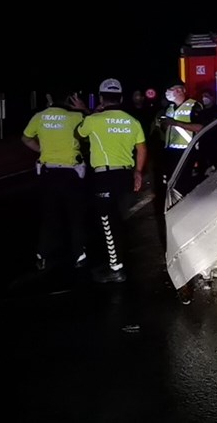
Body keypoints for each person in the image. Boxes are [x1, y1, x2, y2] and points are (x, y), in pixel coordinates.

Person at [76, 78, 147, 283]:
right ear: (122, 98)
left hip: (104, 176)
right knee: (119, 220)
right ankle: (118, 260)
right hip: (125, 175)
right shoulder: (132, 121)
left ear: (101, 98)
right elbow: (141, 148)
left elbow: (79, 133)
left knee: (107, 222)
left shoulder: (94, 120)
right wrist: (138, 172)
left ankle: (116, 268)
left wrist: (93, 112)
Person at [21, 91, 88, 271]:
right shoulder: (76, 117)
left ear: (49, 99)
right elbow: (91, 131)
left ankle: (41, 255)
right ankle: (79, 256)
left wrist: (42, 149)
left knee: (49, 216)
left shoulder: (39, 117)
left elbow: (26, 138)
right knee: (75, 216)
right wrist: (84, 110)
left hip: (48, 172)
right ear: (69, 100)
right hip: (71, 173)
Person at [159, 82, 202, 189]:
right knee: (170, 183)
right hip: (170, 151)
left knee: (184, 184)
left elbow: (200, 127)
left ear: (179, 90)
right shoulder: (170, 108)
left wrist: (176, 123)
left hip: (187, 152)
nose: (167, 92)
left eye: (170, 89)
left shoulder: (194, 106)